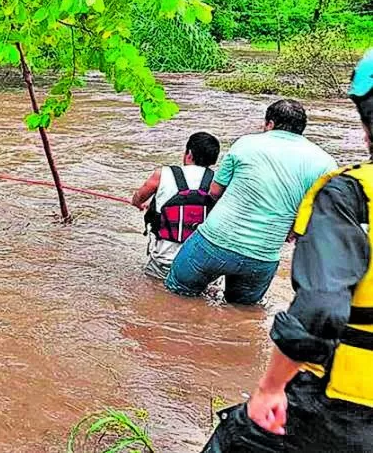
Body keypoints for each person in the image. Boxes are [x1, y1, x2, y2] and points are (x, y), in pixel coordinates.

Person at [202, 51, 373, 452]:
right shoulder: (323, 162)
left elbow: (321, 308)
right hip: (263, 260)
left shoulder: (348, 192)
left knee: (234, 438)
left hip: (339, 401)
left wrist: (270, 387)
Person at [166, 99, 337, 304]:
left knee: (175, 294)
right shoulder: (325, 163)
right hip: (263, 256)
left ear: (270, 123)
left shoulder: (246, 143)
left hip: (214, 242)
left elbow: (214, 191)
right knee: (242, 314)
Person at [132, 132, 221, 280]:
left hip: (164, 261)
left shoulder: (162, 174)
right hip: (201, 264)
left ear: (189, 153)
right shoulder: (218, 182)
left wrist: (139, 204)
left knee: (153, 292)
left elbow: (139, 197)